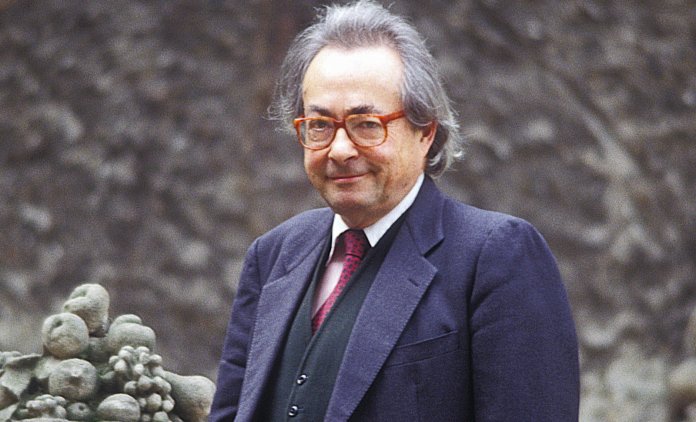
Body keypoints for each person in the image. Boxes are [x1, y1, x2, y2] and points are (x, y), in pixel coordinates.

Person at [210, 1, 579, 421]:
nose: (340, 149)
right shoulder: (272, 255)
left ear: (426, 131)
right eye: (320, 125)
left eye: (367, 124)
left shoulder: (497, 257)